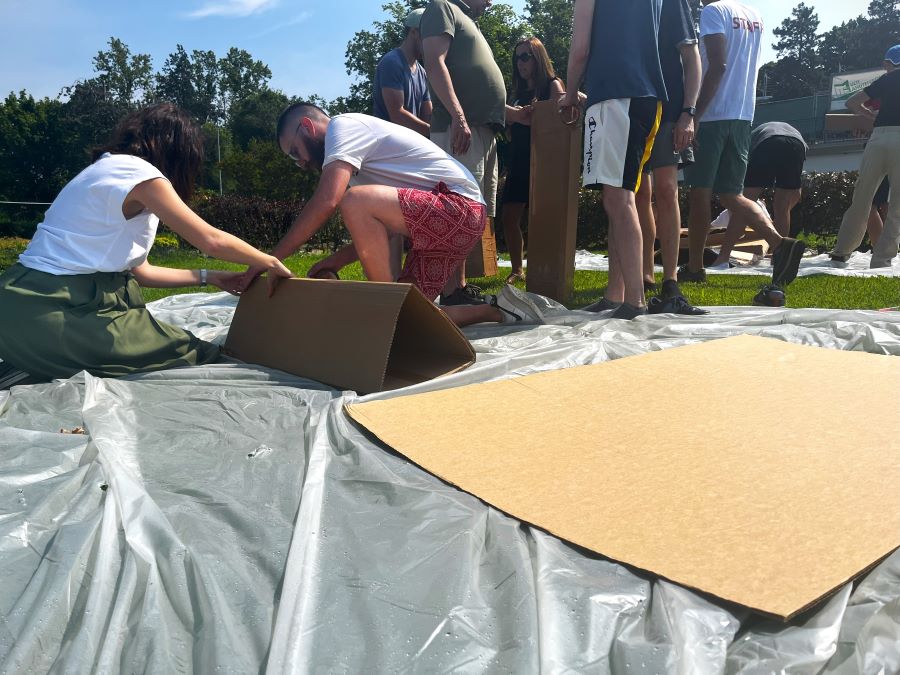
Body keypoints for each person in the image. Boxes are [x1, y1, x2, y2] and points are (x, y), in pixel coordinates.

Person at [0, 104, 292, 385]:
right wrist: (267, 260)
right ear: (178, 153)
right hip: (52, 311)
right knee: (191, 352)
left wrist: (210, 277)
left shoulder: (106, 171)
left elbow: (143, 272)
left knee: (159, 343)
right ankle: (37, 364)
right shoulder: (138, 174)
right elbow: (211, 240)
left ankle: (35, 358)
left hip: (18, 308)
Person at [234, 103, 544, 328]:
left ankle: (384, 304)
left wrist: (271, 259)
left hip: (459, 208)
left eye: (293, 153)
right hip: (454, 221)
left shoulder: (344, 127)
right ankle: (496, 311)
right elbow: (385, 230)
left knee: (352, 201)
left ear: (307, 127)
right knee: (411, 317)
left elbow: (327, 200)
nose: (300, 163)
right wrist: (336, 261)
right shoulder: (359, 169)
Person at [680, 0, 806, 305]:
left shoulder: (713, 12)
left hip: (712, 116)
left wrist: (694, 116)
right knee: (731, 195)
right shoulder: (754, 15)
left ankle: (695, 267)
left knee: (699, 192)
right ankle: (779, 243)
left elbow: (718, 64)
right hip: (742, 115)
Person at [559, 0, 667, 319]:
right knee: (618, 196)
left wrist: (569, 92)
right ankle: (615, 294)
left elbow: (580, 48)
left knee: (618, 200)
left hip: (616, 96)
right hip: (647, 98)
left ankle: (634, 300)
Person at [421, 0, 509, 306]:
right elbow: (434, 63)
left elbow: (474, 80)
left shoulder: (467, 21)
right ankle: (450, 291)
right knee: (457, 209)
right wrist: (458, 117)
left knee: (473, 213)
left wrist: (515, 114)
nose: (489, 2)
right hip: (460, 129)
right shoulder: (442, 7)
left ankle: (458, 286)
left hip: (480, 130)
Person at [634, 0, 707, 315]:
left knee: (666, 190)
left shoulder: (672, 4)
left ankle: (671, 280)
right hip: (635, 109)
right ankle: (645, 273)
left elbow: (692, 57)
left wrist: (688, 113)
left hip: (668, 110)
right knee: (639, 193)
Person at [499, 36, 565, 284]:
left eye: (525, 56)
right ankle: (518, 269)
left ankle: (547, 267)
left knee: (542, 218)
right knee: (509, 216)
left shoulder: (552, 84)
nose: (520, 62)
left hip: (543, 162)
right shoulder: (517, 93)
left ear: (538, 57)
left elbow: (560, 122)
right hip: (518, 161)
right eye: (517, 57)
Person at [831, 45, 900, 269]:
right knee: (897, 205)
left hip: (878, 139)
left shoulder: (886, 80)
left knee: (861, 199)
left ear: (890, 63)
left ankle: (841, 253)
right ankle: (881, 260)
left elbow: (851, 103)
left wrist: (871, 115)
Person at [708, 121, 807, 267]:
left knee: (743, 204)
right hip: (796, 145)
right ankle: (778, 258)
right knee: (783, 207)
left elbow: (740, 182)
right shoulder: (798, 141)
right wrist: (779, 217)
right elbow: (796, 194)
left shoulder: (750, 138)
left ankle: (723, 258)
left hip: (766, 144)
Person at [372, 8, 433, 136]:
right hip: (390, 145)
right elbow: (397, 115)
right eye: (429, 35)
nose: (433, 42)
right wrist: (434, 134)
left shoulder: (422, 72)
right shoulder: (392, 63)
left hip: (411, 145)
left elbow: (428, 115)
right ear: (414, 32)